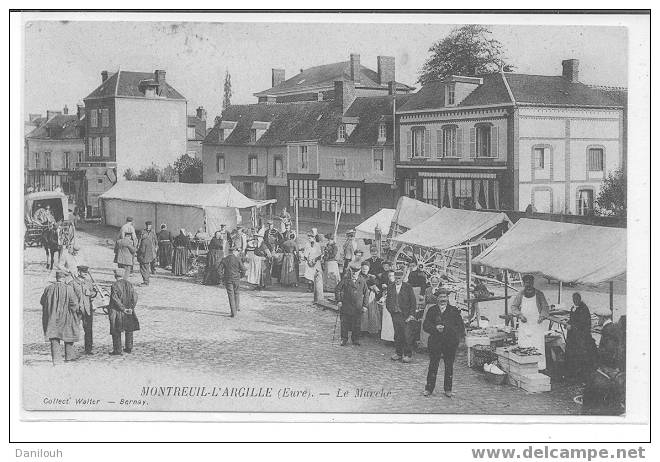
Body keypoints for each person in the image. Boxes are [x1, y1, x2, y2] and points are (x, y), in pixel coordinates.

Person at [423, 288, 465, 397]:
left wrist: (451, 333)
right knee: (433, 365)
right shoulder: (432, 310)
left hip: (449, 342)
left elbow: (460, 327)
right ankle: (429, 388)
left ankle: (448, 389)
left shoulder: (454, 310)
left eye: (445, 297)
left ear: (448, 298)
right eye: (441, 297)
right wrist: (435, 328)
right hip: (435, 342)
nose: (443, 299)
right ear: (437, 299)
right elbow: (425, 326)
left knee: (449, 365)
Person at [510, 274, 550, 371]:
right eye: (526, 283)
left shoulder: (539, 294)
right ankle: (525, 367)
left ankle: (539, 367)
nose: (528, 285)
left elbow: (545, 307)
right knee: (524, 345)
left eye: (530, 282)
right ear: (524, 283)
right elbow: (514, 307)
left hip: (536, 324)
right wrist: (520, 315)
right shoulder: (520, 294)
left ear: (532, 283)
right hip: (525, 324)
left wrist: (542, 316)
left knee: (537, 345)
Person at [40, 270, 81, 364]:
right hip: (66, 317)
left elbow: (42, 302)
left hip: (52, 317)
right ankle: (69, 356)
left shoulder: (48, 288)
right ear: (64, 278)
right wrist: (76, 312)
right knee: (69, 335)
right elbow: (74, 304)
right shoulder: (69, 289)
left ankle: (56, 359)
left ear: (56, 278)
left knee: (54, 337)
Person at [385, 269, 417, 363]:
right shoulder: (390, 287)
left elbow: (413, 302)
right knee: (397, 335)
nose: (397, 280)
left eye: (399, 278)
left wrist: (411, 314)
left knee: (407, 335)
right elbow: (388, 301)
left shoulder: (408, 287)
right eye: (396, 278)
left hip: (406, 315)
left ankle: (408, 355)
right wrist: (391, 311)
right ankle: (398, 353)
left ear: (402, 278)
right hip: (396, 314)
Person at [335, 262, 370, 346]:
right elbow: (337, 290)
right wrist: (339, 300)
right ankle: (344, 339)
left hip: (357, 307)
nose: (354, 274)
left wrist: (365, 305)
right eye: (353, 272)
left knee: (357, 324)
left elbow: (366, 294)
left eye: (356, 272)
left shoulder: (362, 281)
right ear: (350, 271)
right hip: (346, 306)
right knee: (344, 323)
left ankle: (355, 339)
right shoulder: (346, 279)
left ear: (359, 272)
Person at [565, 293, 597, 382]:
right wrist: (568, 323)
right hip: (573, 336)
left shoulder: (584, 309)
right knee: (571, 354)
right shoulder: (573, 307)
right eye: (573, 299)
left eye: (576, 299)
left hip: (581, 337)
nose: (574, 301)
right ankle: (572, 374)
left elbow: (583, 324)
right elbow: (573, 319)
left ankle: (578, 376)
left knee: (579, 355)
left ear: (579, 299)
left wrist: (572, 327)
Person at [108, 268, 139, 355]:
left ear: (115, 276)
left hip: (117, 311)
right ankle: (129, 347)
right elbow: (135, 296)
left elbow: (115, 299)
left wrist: (122, 309)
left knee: (116, 329)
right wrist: (131, 308)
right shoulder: (129, 284)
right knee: (129, 328)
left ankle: (117, 350)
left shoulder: (114, 285)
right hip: (129, 310)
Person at [68, 265, 97, 354]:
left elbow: (94, 293)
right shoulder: (72, 283)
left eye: (86, 272)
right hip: (76, 310)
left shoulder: (89, 282)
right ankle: (69, 350)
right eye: (83, 272)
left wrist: (91, 293)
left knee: (88, 330)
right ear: (78, 272)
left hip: (87, 309)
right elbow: (68, 297)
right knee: (72, 329)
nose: (85, 274)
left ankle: (88, 349)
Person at [218, 246, 246, 317]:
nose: (238, 253)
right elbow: (243, 269)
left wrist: (222, 277)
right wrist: (241, 276)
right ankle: (236, 308)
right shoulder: (238, 259)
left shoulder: (224, 259)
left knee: (231, 295)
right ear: (234, 251)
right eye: (237, 251)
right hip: (236, 278)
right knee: (236, 292)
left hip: (228, 279)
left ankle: (233, 312)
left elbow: (219, 270)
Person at [419, 275, 443, 348]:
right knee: (426, 325)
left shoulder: (441, 290)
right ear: (430, 282)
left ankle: (437, 346)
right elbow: (425, 301)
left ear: (438, 282)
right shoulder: (427, 290)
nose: (434, 283)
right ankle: (425, 345)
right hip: (428, 308)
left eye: (436, 282)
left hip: (437, 309)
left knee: (436, 326)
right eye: (433, 282)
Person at [359, 262, 382, 336]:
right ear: (361, 268)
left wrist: (375, 289)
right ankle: (362, 330)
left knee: (371, 313)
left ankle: (371, 329)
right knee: (363, 313)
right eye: (363, 268)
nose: (364, 270)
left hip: (370, 296)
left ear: (368, 269)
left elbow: (376, 286)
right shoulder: (359, 276)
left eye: (366, 268)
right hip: (362, 296)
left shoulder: (371, 277)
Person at [137, 222, 157, 286]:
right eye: (148, 225)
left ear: (151, 226)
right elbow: (139, 241)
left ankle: (153, 270)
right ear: (146, 226)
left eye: (150, 225)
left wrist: (156, 248)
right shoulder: (143, 232)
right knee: (146, 265)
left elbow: (155, 240)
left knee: (152, 261)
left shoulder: (153, 232)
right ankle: (147, 278)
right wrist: (138, 248)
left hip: (152, 249)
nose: (149, 227)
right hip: (145, 249)